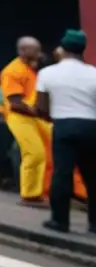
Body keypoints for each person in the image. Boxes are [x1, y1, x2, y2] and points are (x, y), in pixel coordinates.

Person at [36, 30, 96, 233]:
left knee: (62, 173)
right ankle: (94, 224)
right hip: (91, 126)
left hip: (63, 125)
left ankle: (60, 221)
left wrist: (55, 118)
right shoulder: (94, 73)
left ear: (63, 48)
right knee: (92, 175)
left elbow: (41, 108)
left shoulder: (47, 73)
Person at [1, 37, 53, 205]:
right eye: (34, 51)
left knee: (51, 151)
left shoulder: (31, 68)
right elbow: (16, 104)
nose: (39, 54)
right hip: (20, 117)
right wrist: (39, 113)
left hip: (34, 115)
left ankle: (46, 190)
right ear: (22, 51)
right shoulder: (12, 71)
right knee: (34, 153)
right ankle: (30, 195)